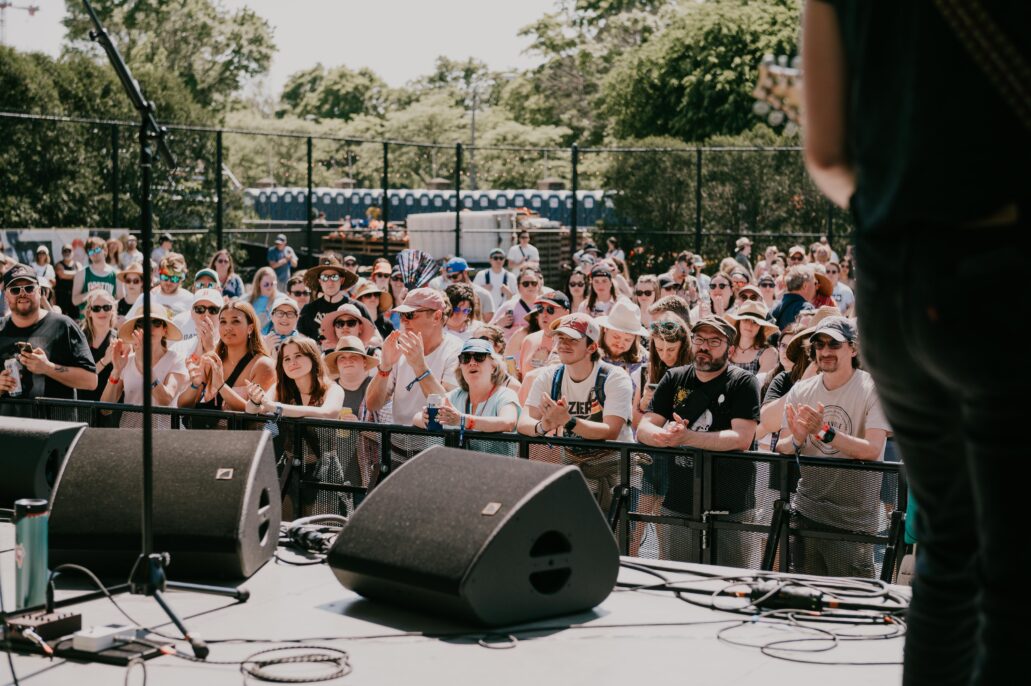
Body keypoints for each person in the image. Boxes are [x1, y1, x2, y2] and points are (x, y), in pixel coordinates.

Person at [802, 3, 1029, 681]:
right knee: (1014, 573)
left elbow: (826, 157)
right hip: (1001, 267)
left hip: (888, 279)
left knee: (947, 552)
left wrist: (905, 216)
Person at [637, 316, 760, 566]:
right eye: (699, 339)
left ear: (731, 350)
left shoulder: (743, 382)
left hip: (731, 505)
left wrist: (688, 437)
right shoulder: (674, 378)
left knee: (730, 584)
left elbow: (742, 437)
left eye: (715, 341)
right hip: (679, 501)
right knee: (680, 580)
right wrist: (662, 437)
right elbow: (644, 426)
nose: (704, 346)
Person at [774, 318, 888, 577]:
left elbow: (872, 449)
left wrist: (824, 432)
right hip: (807, 513)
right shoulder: (801, 390)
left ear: (853, 349)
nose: (825, 351)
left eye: (834, 344)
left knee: (852, 607)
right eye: (820, 344)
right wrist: (797, 438)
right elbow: (782, 446)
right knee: (804, 603)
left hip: (853, 521)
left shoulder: (873, 388)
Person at [518, 313, 634, 512]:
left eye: (572, 339)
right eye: (561, 338)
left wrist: (568, 421)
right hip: (575, 468)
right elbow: (523, 422)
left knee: (619, 539)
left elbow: (610, 431)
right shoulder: (549, 376)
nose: (564, 344)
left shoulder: (615, 377)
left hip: (617, 470)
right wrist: (544, 425)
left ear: (592, 347)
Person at [244, 335, 345, 518]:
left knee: (321, 529)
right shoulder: (279, 388)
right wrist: (254, 399)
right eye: (287, 359)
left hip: (323, 469)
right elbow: (252, 409)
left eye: (298, 356)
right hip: (290, 469)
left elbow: (328, 412)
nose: (292, 362)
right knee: (287, 529)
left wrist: (277, 408)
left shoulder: (332, 389)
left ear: (313, 357)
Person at [365, 288, 462, 457]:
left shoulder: (456, 351)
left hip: (437, 452)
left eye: (410, 315)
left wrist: (420, 367)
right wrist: (385, 366)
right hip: (397, 449)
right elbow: (373, 405)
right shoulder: (400, 346)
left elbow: (446, 408)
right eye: (402, 315)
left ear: (437, 317)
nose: (404, 321)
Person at [0, 264, 97, 415]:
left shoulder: (64, 326)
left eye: (29, 288)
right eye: (15, 290)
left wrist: (47, 368)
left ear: (40, 291)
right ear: (6, 296)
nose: (22, 293)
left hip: (56, 431)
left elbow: (91, 381)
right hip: (10, 431)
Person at [414, 338, 521, 455]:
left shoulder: (505, 394)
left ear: (493, 367)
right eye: (465, 358)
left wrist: (463, 420)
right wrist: (425, 418)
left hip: (498, 470)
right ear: (461, 367)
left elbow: (508, 423)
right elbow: (416, 417)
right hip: (462, 468)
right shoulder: (456, 395)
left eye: (479, 357)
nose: (472, 362)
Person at [177, 301, 275, 414]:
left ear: (250, 328)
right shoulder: (211, 360)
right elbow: (182, 406)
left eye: (236, 321)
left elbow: (257, 413)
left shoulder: (263, 365)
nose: (228, 327)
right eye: (223, 322)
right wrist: (195, 385)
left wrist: (221, 386)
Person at [101, 308, 188, 428]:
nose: (148, 327)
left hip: (163, 440)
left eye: (156, 322)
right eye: (142, 323)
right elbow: (105, 409)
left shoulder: (176, 359)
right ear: (135, 331)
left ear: (164, 330)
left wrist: (144, 365)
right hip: (130, 438)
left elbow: (165, 400)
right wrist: (116, 371)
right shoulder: (127, 360)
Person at [297, 260, 358, 346]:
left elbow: (376, 338)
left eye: (334, 277)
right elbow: (299, 336)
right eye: (324, 278)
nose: (330, 282)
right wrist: (315, 345)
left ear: (341, 280)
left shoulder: (357, 307)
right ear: (320, 281)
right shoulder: (308, 309)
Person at [595, 299, 649, 384]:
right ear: (606, 329)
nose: (620, 344)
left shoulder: (645, 361)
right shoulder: (588, 353)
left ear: (635, 338)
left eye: (627, 340)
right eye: (616, 337)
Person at [518, 292, 570, 380]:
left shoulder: (572, 341)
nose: (544, 314)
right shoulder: (529, 340)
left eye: (550, 309)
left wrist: (543, 364)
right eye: (540, 309)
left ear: (566, 313)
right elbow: (522, 377)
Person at [78, 289, 118, 400]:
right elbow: (80, 377)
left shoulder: (119, 340)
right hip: (83, 403)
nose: (102, 312)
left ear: (112, 311)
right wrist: (104, 361)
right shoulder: (80, 339)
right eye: (96, 308)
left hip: (110, 406)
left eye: (106, 307)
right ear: (89, 312)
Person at [127, 253, 194, 318]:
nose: (168, 282)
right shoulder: (146, 298)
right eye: (165, 277)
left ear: (181, 279)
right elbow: (127, 323)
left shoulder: (190, 300)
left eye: (174, 278)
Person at [71, 236, 121, 321]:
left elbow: (121, 300)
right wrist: (91, 293)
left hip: (108, 321)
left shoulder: (116, 274)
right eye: (90, 251)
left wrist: (107, 307)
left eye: (97, 250)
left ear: (105, 251)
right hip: (87, 322)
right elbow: (75, 300)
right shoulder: (82, 273)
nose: (94, 253)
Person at [726, 300, 779, 378]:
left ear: (760, 327)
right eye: (745, 319)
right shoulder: (727, 348)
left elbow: (760, 385)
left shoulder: (768, 353)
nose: (749, 325)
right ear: (739, 322)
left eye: (755, 322)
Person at [490, 266, 541, 341]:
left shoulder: (545, 305)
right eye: (526, 284)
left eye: (534, 283)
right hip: (513, 351)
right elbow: (487, 329)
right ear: (518, 287)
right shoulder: (508, 306)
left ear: (538, 286)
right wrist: (498, 324)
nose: (530, 286)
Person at [171, 288, 224, 360]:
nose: (206, 314)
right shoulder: (178, 349)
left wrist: (210, 348)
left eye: (213, 310)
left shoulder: (232, 347)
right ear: (192, 313)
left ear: (222, 314)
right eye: (200, 309)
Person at [444, 258, 494, 322]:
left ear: (465, 272)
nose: (452, 280)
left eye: (454, 276)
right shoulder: (446, 295)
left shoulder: (483, 294)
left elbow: (488, 323)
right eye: (449, 277)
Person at [770, 265, 816, 330]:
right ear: (805, 286)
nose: (816, 287)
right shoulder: (806, 309)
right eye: (815, 283)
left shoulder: (775, 307)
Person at [241, 266, 279, 331]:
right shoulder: (246, 299)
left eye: (272, 284)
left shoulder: (281, 299)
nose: (269, 287)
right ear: (258, 283)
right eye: (266, 284)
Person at [53, 244, 80, 316]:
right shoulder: (58, 265)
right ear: (62, 253)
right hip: (61, 297)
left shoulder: (77, 264)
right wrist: (76, 274)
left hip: (74, 296)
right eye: (65, 251)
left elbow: (80, 275)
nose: (67, 253)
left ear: (73, 252)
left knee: (75, 318)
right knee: (61, 317)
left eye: (69, 251)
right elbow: (62, 275)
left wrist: (71, 274)